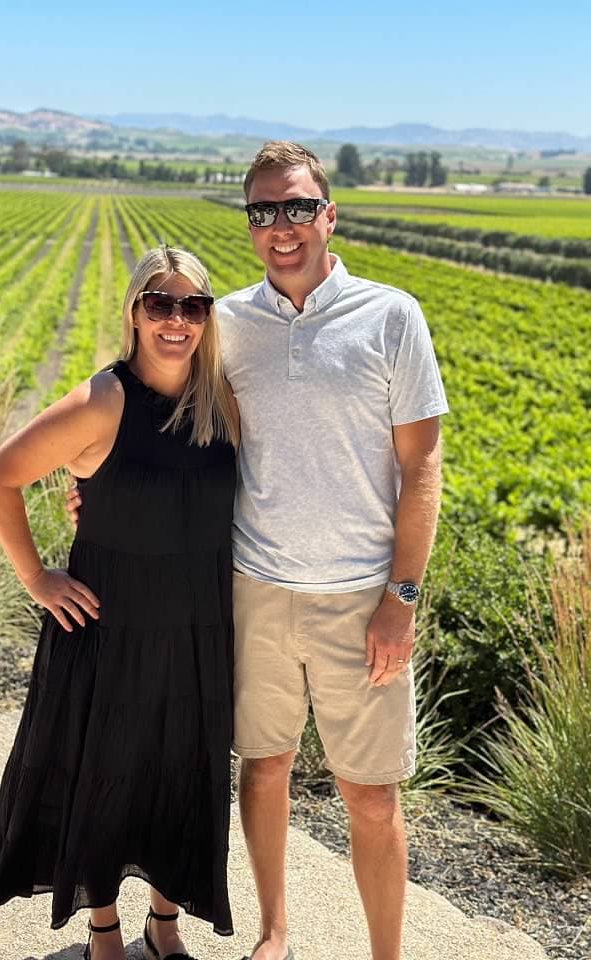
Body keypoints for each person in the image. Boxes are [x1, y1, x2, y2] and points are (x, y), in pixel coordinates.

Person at [69, 141, 448, 960]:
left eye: (298, 206)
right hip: (252, 591)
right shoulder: (225, 324)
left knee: (371, 798)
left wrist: (403, 597)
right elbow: (158, 415)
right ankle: (274, 935)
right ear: (250, 224)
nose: (282, 225)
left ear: (329, 215)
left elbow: (422, 467)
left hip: (363, 599)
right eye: (264, 211)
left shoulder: (392, 316)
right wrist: (92, 487)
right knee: (262, 770)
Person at [0, 245, 240, 960]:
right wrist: (37, 578)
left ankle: (165, 924)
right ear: (135, 313)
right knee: (103, 775)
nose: (176, 320)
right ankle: (104, 930)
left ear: (207, 317)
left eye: (192, 306)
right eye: (160, 303)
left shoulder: (224, 400)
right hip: (109, 623)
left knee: (184, 775)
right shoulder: (104, 399)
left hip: (197, 622)